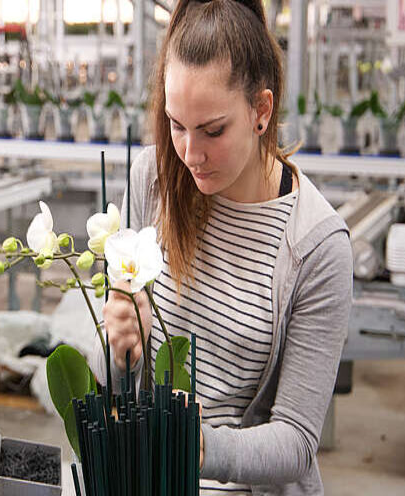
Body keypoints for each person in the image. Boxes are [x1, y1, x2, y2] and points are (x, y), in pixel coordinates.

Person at [93, 0, 353, 494]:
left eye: (212, 130)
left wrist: (196, 447)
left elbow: (296, 442)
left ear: (261, 110)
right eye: (175, 125)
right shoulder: (152, 180)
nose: (190, 153)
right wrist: (119, 350)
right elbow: (116, 381)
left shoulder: (317, 247)